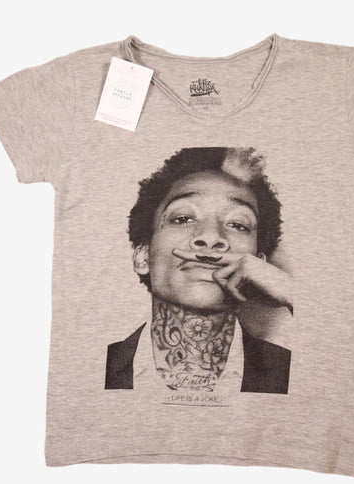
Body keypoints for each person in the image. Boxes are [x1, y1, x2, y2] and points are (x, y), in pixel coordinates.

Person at [105, 146, 293, 394]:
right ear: (143, 256)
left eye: (237, 224)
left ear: (259, 266)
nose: (211, 237)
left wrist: (292, 292)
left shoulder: (294, 373)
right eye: (183, 218)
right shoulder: (93, 368)